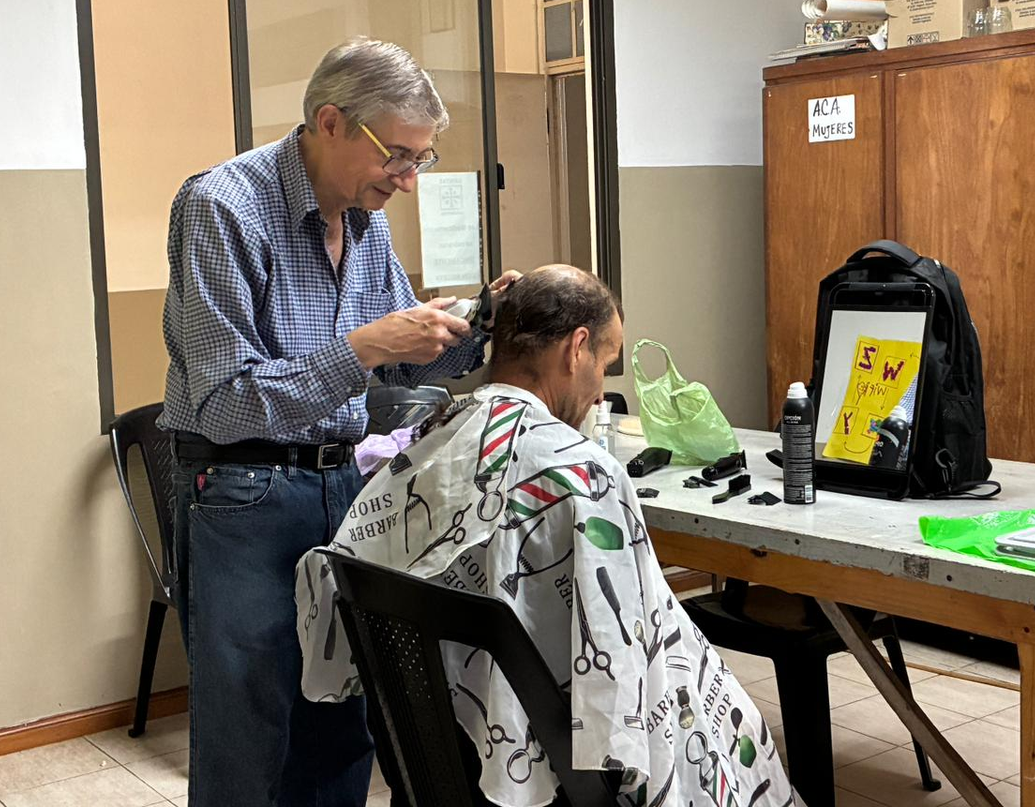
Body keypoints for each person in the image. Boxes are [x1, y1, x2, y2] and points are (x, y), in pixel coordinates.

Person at [160, 37, 518, 807]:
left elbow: (399, 367)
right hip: (244, 493)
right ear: (331, 121)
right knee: (249, 728)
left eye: (421, 160)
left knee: (343, 713)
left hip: (348, 488)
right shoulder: (222, 207)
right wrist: (360, 347)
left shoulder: (365, 221)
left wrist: (480, 325)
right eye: (400, 157)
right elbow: (224, 402)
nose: (410, 181)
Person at [297, 265, 798, 807]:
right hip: (558, 779)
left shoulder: (425, 452)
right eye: (605, 363)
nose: (600, 389)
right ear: (576, 349)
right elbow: (628, 676)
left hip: (441, 764)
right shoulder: (588, 476)